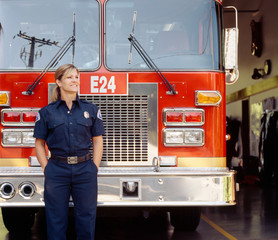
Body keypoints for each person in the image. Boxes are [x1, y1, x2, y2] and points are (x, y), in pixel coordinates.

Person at [33, 64, 105, 240]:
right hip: (57, 170)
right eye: (69, 77)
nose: (75, 81)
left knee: (86, 220)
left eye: (76, 77)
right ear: (58, 82)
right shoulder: (46, 113)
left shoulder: (91, 110)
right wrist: (46, 168)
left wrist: (94, 167)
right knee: (56, 221)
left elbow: (97, 140)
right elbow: (39, 143)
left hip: (85, 170)